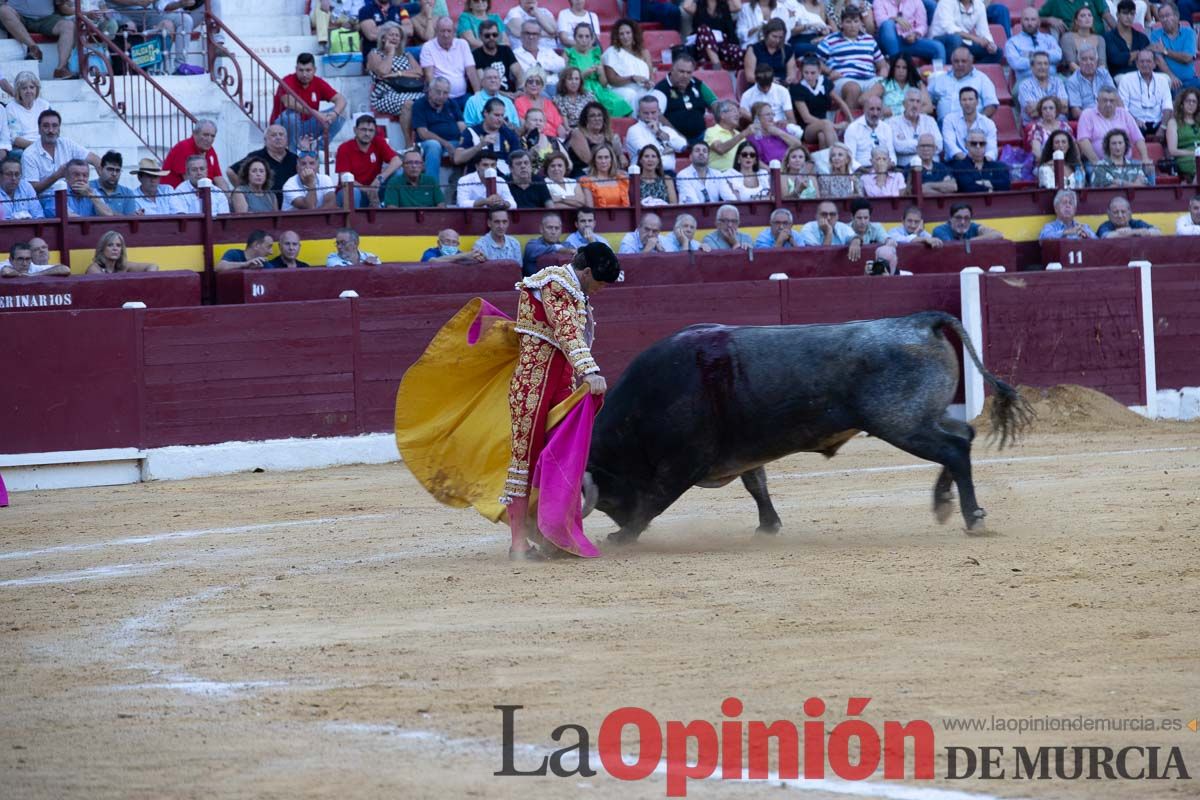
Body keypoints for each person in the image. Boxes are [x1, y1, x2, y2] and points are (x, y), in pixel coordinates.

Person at [21, 110, 102, 215]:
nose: (51, 130)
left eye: (55, 126)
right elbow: (32, 190)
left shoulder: (66, 143)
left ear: (59, 129)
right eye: (46, 126)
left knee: (95, 196)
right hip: (45, 199)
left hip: (72, 193)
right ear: (39, 129)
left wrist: (103, 183)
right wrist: (56, 176)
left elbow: (95, 160)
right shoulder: (29, 154)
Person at [816, 6, 887, 110]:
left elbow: (882, 65)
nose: (852, 25)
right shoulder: (830, 40)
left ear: (861, 23)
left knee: (882, 85)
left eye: (856, 21)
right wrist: (829, 71)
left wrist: (882, 77)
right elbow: (815, 62)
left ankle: (864, 99)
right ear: (842, 23)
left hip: (869, 79)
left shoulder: (869, 40)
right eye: (848, 22)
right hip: (844, 80)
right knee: (853, 88)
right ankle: (851, 123)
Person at [272, 52, 347, 151]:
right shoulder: (287, 80)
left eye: (308, 70)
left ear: (314, 70)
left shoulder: (318, 82)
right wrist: (315, 113)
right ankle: (292, 154)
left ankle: (317, 149)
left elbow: (340, 99)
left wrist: (334, 113)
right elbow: (288, 102)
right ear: (296, 69)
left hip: (307, 125)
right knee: (290, 117)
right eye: (301, 70)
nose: (304, 74)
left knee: (341, 113)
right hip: (283, 127)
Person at [368, 22, 426, 133]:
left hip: (408, 90)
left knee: (429, 100)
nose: (394, 38)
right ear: (383, 38)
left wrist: (397, 74)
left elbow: (419, 72)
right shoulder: (374, 54)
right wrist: (390, 53)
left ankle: (423, 138)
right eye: (391, 35)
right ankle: (409, 145)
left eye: (397, 36)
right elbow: (383, 72)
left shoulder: (406, 55)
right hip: (384, 94)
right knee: (409, 104)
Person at [567, 22, 631, 119]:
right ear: (575, 38)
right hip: (580, 89)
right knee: (595, 107)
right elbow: (566, 79)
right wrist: (584, 74)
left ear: (591, 38)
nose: (584, 40)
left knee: (618, 103)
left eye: (587, 36)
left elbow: (604, 83)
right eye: (580, 36)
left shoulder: (596, 53)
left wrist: (600, 73)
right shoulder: (569, 53)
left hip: (598, 89)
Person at [653, 54, 720, 146]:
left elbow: (714, 102)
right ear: (672, 69)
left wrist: (720, 125)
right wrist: (677, 134)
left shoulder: (697, 84)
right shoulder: (660, 89)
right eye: (681, 71)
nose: (685, 76)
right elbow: (657, 115)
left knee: (724, 138)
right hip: (675, 137)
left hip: (701, 135)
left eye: (689, 72)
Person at [335, 115, 401, 208]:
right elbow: (344, 179)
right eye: (363, 129)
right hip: (350, 192)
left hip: (375, 189)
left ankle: (391, 211)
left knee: (398, 173)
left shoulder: (379, 142)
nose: (367, 133)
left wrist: (380, 179)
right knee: (353, 192)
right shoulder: (344, 148)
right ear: (355, 130)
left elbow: (397, 161)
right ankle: (354, 221)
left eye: (371, 131)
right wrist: (368, 190)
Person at [0, 0, 76, 78]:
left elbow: (63, 8)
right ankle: (33, 48)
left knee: (68, 26)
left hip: (47, 18)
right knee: (3, 10)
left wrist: (62, 2)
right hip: (19, 16)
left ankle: (61, 68)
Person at [790, 57, 852, 151]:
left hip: (823, 126)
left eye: (813, 73)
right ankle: (839, 155)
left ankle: (824, 162)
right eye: (806, 72)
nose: (809, 76)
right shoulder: (798, 88)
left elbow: (840, 102)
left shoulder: (824, 83)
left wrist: (850, 120)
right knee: (826, 124)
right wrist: (835, 126)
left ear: (819, 71)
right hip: (806, 128)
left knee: (822, 136)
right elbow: (806, 118)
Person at [227, 125, 298, 206]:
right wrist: (246, 192)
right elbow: (231, 172)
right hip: (265, 206)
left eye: (281, 134)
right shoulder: (256, 156)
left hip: (291, 206)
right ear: (265, 140)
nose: (278, 137)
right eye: (273, 135)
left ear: (286, 139)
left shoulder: (294, 159)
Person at [411, 77, 465, 181]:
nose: (441, 96)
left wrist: (464, 140)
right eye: (438, 92)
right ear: (430, 91)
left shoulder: (452, 104)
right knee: (434, 145)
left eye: (445, 93)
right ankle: (432, 187)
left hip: (453, 142)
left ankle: (460, 181)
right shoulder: (419, 104)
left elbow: (462, 126)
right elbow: (423, 133)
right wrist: (446, 144)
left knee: (471, 145)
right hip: (427, 143)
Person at [1078, 87, 1149, 164]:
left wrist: (1145, 158)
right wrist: (1097, 163)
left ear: (1117, 102)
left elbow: (1138, 138)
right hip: (1097, 162)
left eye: (1111, 101)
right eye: (1105, 101)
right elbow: (1083, 141)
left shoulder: (1124, 114)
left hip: (1125, 162)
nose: (1108, 104)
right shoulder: (1087, 114)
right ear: (1097, 100)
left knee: (1149, 169)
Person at [927, 47, 998, 122]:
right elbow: (925, 99)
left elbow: (991, 105)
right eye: (956, 61)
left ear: (971, 61)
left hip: (971, 125)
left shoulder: (982, 79)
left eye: (964, 61)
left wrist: (977, 123)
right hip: (943, 125)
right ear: (951, 62)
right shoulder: (940, 79)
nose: (960, 64)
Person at [455, 98, 522, 177]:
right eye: (496, 115)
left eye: (502, 115)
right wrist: (480, 146)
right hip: (477, 178)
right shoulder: (471, 132)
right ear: (485, 113)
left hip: (504, 180)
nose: (500, 119)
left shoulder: (509, 133)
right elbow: (457, 159)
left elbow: (517, 159)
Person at [421, 16, 480, 106]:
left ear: (454, 32)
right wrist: (439, 97)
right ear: (436, 31)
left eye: (449, 31)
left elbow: (471, 71)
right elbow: (429, 75)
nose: (446, 35)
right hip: (441, 99)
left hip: (463, 96)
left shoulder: (462, 44)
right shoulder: (428, 47)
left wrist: (477, 95)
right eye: (442, 31)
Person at [624, 95, 688, 174]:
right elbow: (648, 154)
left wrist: (659, 132)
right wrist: (670, 148)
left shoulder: (666, 130)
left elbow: (682, 146)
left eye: (653, 112)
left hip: (668, 174)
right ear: (638, 113)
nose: (650, 116)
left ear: (659, 112)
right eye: (646, 113)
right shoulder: (634, 130)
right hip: (643, 175)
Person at [603, 18, 656, 112]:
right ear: (617, 36)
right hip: (621, 89)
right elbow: (612, 80)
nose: (625, 36)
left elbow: (651, 76)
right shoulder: (612, 52)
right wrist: (631, 78)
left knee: (655, 95)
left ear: (634, 34)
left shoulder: (644, 53)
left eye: (628, 33)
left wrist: (650, 83)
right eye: (621, 34)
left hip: (643, 88)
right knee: (631, 94)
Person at [1117, 50, 1173, 139]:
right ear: (1137, 64)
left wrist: (1163, 127)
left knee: (1172, 129)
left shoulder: (1163, 80)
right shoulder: (1126, 79)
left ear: (1155, 64)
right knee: (1132, 129)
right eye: (1142, 61)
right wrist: (1134, 121)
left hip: (1158, 122)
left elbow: (1168, 106)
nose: (1145, 64)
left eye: (1148, 61)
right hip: (1136, 122)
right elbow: (1123, 107)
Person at [161, 119, 228, 191]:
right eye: (205, 135)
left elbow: (218, 177)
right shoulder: (183, 147)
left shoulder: (210, 150)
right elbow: (191, 182)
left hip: (202, 192)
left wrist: (229, 197)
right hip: (178, 195)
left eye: (212, 136)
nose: (209, 139)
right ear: (195, 134)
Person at [929, 0, 999, 64]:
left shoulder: (979, 5)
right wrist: (975, 39)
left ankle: (972, 73)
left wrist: (990, 43)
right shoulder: (946, 2)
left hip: (964, 41)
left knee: (996, 52)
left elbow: (984, 31)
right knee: (955, 39)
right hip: (940, 39)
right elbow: (949, 28)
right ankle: (950, 73)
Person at [569, 102, 630, 176]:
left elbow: (621, 158)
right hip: (584, 173)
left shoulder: (610, 135)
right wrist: (613, 172)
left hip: (607, 172)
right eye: (592, 116)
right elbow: (589, 160)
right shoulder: (578, 133)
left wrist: (621, 156)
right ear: (585, 119)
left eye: (599, 115)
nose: (597, 119)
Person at [1150, 3, 1199, 92]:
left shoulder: (1188, 32)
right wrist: (1171, 76)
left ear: (1177, 16)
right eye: (1161, 17)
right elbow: (1159, 60)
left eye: (1167, 15)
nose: (1165, 19)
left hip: (1191, 80)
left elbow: (1187, 58)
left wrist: (1165, 51)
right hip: (1169, 81)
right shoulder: (1155, 34)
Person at [1005, 7, 1062, 85]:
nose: (1030, 23)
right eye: (1026, 19)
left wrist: (1030, 56)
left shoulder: (1049, 39)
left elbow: (1057, 56)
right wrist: (1044, 60)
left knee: (1068, 84)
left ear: (1038, 22)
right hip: (1025, 81)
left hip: (1052, 79)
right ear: (1021, 21)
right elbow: (1016, 63)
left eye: (1033, 19)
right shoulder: (1012, 42)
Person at [888, 87, 942, 167]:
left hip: (931, 167)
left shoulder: (930, 120)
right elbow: (898, 146)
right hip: (906, 168)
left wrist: (910, 143)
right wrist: (927, 145)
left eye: (918, 101)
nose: (915, 105)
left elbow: (939, 145)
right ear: (904, 104)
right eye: (911, 101)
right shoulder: (893, 122)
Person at [875, 0, 942, 62]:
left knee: (938, 47)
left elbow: (922, 25)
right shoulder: (879, 1)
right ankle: (895, 63)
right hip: (887, 41)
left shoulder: (916, 1)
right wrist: (895, 19)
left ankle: (938, 75)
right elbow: (880, 21)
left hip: (908, 41)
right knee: (887, 24)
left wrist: (915, 34)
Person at [942, 87, 997, 161]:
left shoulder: (988, 123)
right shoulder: (949, 119)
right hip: (957, 161)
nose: (967, 103)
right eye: (964, 100)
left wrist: (982, 162)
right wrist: (968, 162)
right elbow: (950, 145)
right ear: (960, 102)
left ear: (977, 102)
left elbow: (992, 150)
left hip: (982, 162)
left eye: (970, 99)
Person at [844, 94, 898, 168]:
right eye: (872, 109)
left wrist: (891, 164)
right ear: (864, 109)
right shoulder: (853, 128)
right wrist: (867, 172)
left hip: (884, 170)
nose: (875, 113)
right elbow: (849, 158)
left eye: (878, 109)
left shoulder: (886, 128)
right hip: (862, 170)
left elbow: (891, 154)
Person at [745, 101, 805, 167]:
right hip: (769, 171)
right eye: (768, 114)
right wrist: (771, 171)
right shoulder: (753, 136)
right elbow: (755, 159)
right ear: (757, 118)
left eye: (772, 114)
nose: (771, 117)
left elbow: (798, 145)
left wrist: (779, 133)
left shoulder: (779, 129)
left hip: (789, 167)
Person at [514, 20, 566, 95]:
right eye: (527, 33)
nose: (531, 37)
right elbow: (526, 74)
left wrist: (539, 66)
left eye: (534, 34)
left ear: (539, 36)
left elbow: (561, 64)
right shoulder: (515, 54)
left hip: (555, 86)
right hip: (534, 90)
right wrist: (550, 70)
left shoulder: (547, 50)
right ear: (521, 35)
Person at [1016, 52, 1067, 127]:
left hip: (1059, 126)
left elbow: (1065, 107)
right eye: (1039, 64)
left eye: (1046, 64)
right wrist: (1056, 105)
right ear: (1032, 67)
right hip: (1035, 127)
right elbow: (1031, 112)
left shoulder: (1058, 82)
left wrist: (1038, 107)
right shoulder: (1025, 86)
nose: (1043, 67)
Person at [1066, 46, 1115, 122]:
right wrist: (1096, 120)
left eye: (1092, 59)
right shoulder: (1072, 81)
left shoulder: (1104, 74)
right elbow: (1075, 112)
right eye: (1084, 59)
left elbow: (1115, 97)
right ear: (1079, 62)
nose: (1088, 62)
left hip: (1109, 114)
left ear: (1096, 61)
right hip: (1089, 120)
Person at [5, 72, 50, 154]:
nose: (28, 91)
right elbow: (15, 139)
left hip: (43, 144)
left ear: (37, 89)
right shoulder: (11, 108)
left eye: (32, 87)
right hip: (22, 147)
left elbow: (51, 130)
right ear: (18, 91)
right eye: (24, 88)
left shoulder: (44, 105)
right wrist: (37, 146)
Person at [691, 0, 743, 70]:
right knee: (704, 29)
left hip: (722, 44)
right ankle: (717, 67)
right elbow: (686, 6)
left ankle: (739, 77)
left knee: (739, 52)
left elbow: (738, 6)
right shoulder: (698, 7)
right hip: (703, 46)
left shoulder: (724, 7)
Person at [705, 100, 754, 171]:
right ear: (722, 115)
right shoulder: (712, 131)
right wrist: (743, 133)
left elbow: (747, 156)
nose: (737, 115)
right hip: (719, 175)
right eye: (734, 111)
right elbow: (720, 149)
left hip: (738, 175)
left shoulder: (738, 134)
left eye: (738, 112)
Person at [473, 20, 521, 92]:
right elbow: (483, 83)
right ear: (480, 37)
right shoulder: (476, 54)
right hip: (490, 96)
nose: (491, 38)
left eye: (494, 35)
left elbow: (519, 74)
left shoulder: (506, 50)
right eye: (487, 36)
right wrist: (505, 95)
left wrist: (520, 90)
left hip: (510, 93)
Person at [743, 18, 795, 85]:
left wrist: (789, 79)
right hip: (761, 85)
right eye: (774, 36)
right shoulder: (754, 49)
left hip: (781, 86)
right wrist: (768, 80)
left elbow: (791, 75)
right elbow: (749, 77)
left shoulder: (788, 50)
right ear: (766, 34)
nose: (777, 40)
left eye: (780, 37)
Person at [880, 53, 932, 119]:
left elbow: (929, 107)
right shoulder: (884, 84)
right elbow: (866, 100)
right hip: (889, 124)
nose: (900, 71)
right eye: (898, 67)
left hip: (912, 121)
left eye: (904, 68)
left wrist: (907, 112)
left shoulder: (918, 84)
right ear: (893, 68)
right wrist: (881, 107)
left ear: (909, 69)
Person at [1104, 0, 1148, 77]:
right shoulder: (1108, 37)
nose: (1129, 17)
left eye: (1132, 14)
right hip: (1120, 75)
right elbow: (1115, 59)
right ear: (1117, 15)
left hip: (1141, 74)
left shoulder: (1141, 37)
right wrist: (1138, 54)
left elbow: (1146, 60)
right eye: (1125, 13)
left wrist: (1127, 57)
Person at [516, 70, 564, 139]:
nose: (534, 85)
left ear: (542, 85)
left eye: (538, 82)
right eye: (530, 82)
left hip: (554, 138)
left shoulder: (548, 102)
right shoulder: (520, 101)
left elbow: (559, 126)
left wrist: (563, 142)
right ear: (525, 84)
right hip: (534, 138)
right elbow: (524, 125)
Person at [83, 231, 159, 274]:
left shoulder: (124, 266)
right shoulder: (94, 268)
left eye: (118, 245)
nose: (115, 249)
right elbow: (107, 287)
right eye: (110, 245)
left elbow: (153, 266)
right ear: (102, 249)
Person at [1166, 88, 1200, 182]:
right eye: (1188, 101)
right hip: (1186, 159)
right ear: (1182, 104)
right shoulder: (1173, 123)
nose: (1191, 104)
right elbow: (1172, 151)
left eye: (1194, 102)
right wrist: (1194, 153)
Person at [1060, 7, 1107, 75]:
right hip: (1074, 76)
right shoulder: (1067, 37)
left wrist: (1095, 77)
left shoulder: (1100, 39)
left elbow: (1102, 64)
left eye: (1089, 15)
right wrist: (1087, 76)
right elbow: (1071, 64)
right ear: (1076, 21)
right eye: (1083, 16)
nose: (1087, 18)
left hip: (1097, 76)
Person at [931, 201, 1004, 241]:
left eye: (966, 218)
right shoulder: (940, 230)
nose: (963, 222)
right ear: (950, 219)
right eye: (958, 218)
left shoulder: (973, 227)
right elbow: (955, 248)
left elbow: (998, 235)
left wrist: (970, 241)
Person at [553, 66, 598, 131]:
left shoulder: (589, 96)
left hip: (590, 128)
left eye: (577, 79)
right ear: (564, 82)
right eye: (570, 79)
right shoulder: (559, 99)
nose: (574, 82)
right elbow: (566, 127)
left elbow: (596, 114)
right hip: (572, 131)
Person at [1096, 196, 1161, 238]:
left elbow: (1157, 232)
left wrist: (1132, 232)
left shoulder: (1136, 223)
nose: (1120, 216)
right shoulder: (1105, 226)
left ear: (1130, 213)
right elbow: (1107, 237)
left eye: (1123, 212)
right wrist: (1140, 232)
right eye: (1115, 212)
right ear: (1109, 214)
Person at [1, 239, 69, 277]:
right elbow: (6, 272)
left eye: (27, 259)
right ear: (11, 260)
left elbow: (65, 269)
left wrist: (34, 274)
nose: (24, 263)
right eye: (20, 259)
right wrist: (21, 275)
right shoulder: (5, 264)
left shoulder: (33, 267)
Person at [1040, 0, 1111, 36]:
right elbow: (1036, 18)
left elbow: (1107, 15)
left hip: (1099, 38)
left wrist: (1118, 33)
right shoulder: (1054, 2)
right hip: (1074, 43)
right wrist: (1048, 19)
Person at [421, 229, 488, 263]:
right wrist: (462, 256)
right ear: (439, 243)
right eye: (447, 241)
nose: (450, 245)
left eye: (454, 242)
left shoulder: (460, 253)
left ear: (458, 244)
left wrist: (480, 257)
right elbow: (433, 261)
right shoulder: (429, 252)